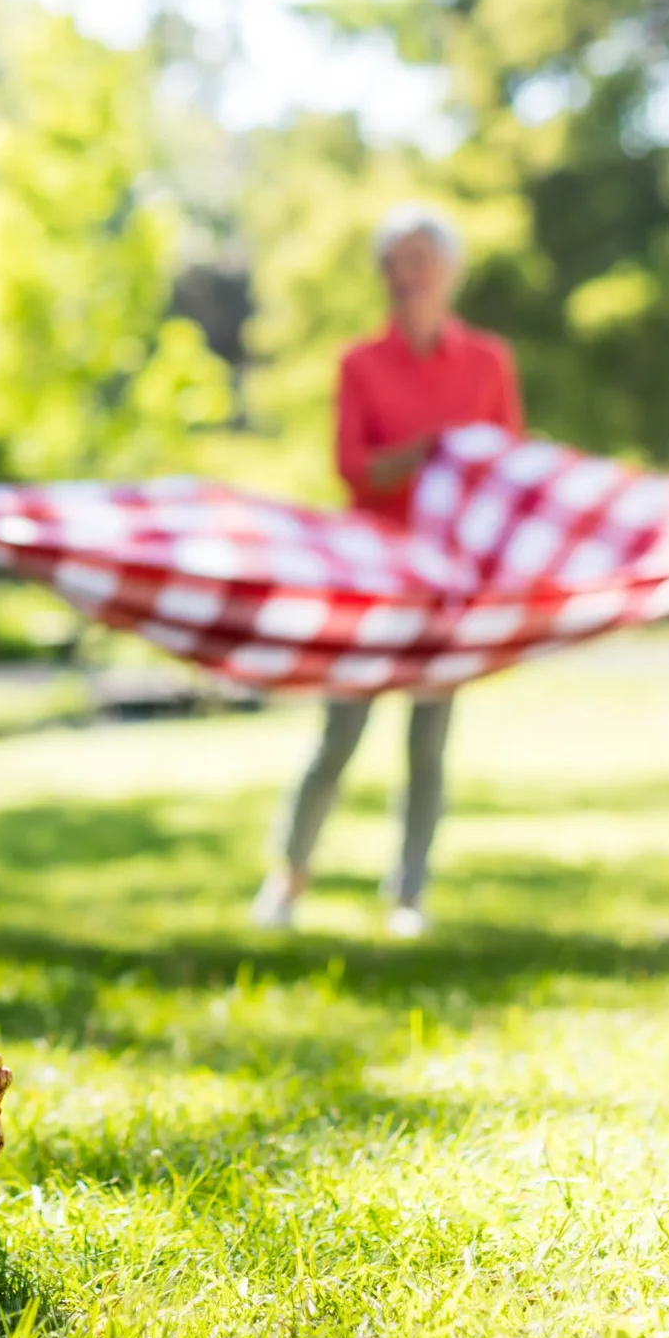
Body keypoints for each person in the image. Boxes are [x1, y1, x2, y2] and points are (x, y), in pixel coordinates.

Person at [250, 204, 522, 940]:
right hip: (372, 574)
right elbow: (354, 468)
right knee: (340, 734)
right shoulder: (360, 364)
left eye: (421, 262)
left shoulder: (487, 362)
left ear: (448, 272)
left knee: (429, 744)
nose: (406, 277)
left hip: (450, 578)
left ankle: (410, 893)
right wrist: (427, 450)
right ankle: (289, 874)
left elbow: (508, 465)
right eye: (395, 263)